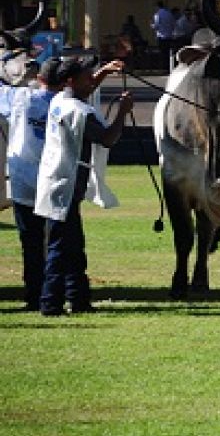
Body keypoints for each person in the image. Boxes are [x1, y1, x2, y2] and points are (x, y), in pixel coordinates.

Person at [36, 57, 132, 316]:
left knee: (72, 246)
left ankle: (78, 299)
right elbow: (107, 139)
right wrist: (123, 112)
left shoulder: (60, 99)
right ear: (70, 81)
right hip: (65, 186)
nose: (92, 81)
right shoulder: (78, 111)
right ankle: (50, 303)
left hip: (57, 182)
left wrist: (102, 73)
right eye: (87, 77)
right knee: (60, 247)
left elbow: (82, 90)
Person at [2, 59, 62, 310]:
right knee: (57, 241)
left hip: (23, 179)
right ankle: (53, 293)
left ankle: (33, 293)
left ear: (39, 79)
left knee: (30, 241)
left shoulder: (20, 97)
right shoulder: (67, 103)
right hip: (55, 179)